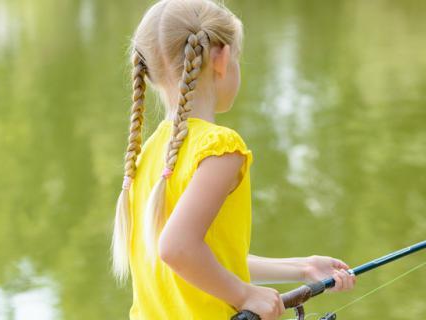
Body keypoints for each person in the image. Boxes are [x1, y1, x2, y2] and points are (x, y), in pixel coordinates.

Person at [111, 1, 355, 319]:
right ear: (222, 59)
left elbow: (203, 261)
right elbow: (176, 247)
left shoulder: (147, 156)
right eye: (238, 57)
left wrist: (302, 267)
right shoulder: (220, 148)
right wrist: (244, 294)